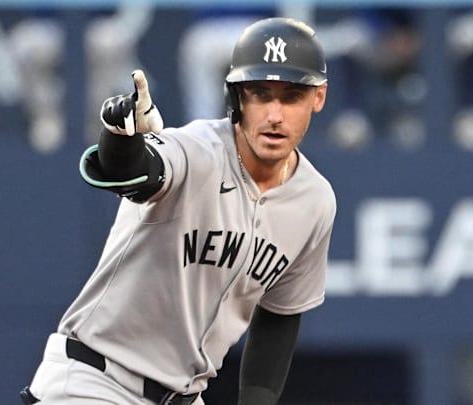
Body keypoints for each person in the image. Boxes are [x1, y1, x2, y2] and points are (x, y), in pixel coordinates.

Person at [20, 17, 336, 405]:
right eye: (258, 92)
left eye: (291, 96)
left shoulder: (315, 200)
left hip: (185, 396)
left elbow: (280, 315)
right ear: (235, 96)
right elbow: (136, 173)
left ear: (318, 98)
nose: (274, 113)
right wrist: (122, 139)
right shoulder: (196, 150)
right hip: (98, 381)